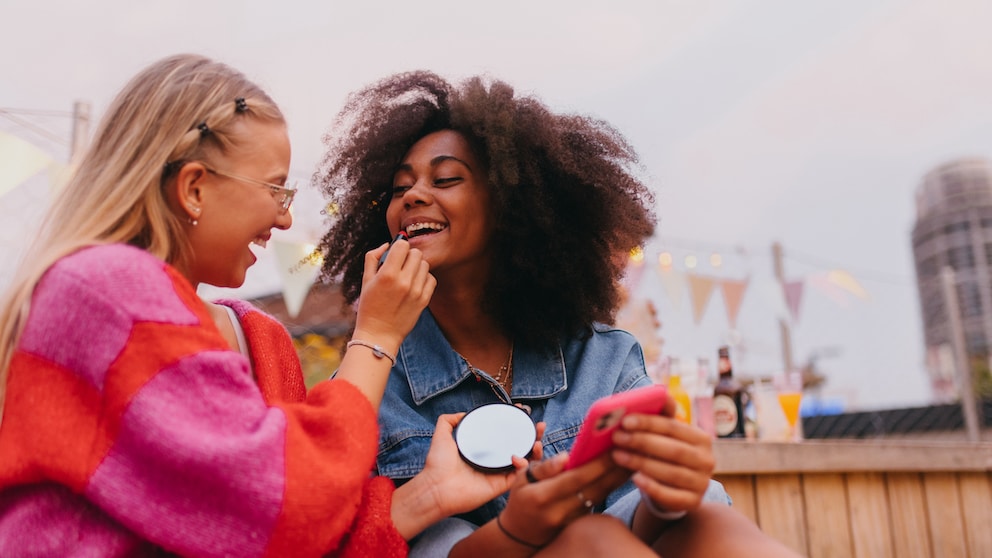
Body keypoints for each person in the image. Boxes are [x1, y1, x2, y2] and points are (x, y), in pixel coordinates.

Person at [0, 55, 525, 558]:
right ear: (194, 189)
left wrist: (430, 494)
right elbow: (291, 505)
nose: (286, 222)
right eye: (275, 189)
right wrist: (377, 336)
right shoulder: (104, 290)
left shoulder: (261, 338)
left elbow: (299, 537)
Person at [315, 71, 801, 557]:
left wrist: (669, 493)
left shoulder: (604, 358)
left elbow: (649, 518)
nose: (414, 196)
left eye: (444, 179)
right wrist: (518, 529)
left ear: (511, 205)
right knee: (592, 538)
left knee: (704, 517)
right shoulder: (372, 384)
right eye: (399, 188)